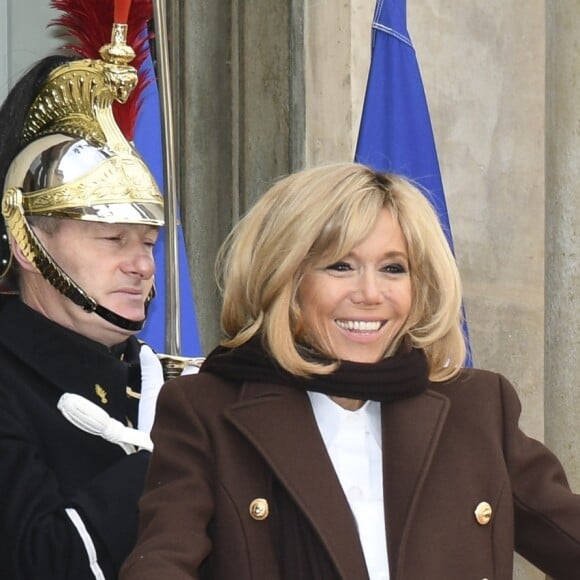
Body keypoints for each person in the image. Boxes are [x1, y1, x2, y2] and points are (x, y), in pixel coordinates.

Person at [121, 162, 580, 580]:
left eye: (394, 269)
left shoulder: (478, 407)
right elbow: (160, 564)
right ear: (285, 279)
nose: (370, 293)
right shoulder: (207, 410)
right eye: (340, 266)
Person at [0, 9, 199, 579]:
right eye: (113, 238)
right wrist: (179, 453)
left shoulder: (156, 379)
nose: (141, 265)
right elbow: (37, 561)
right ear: (26, 242)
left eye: (150, 242)